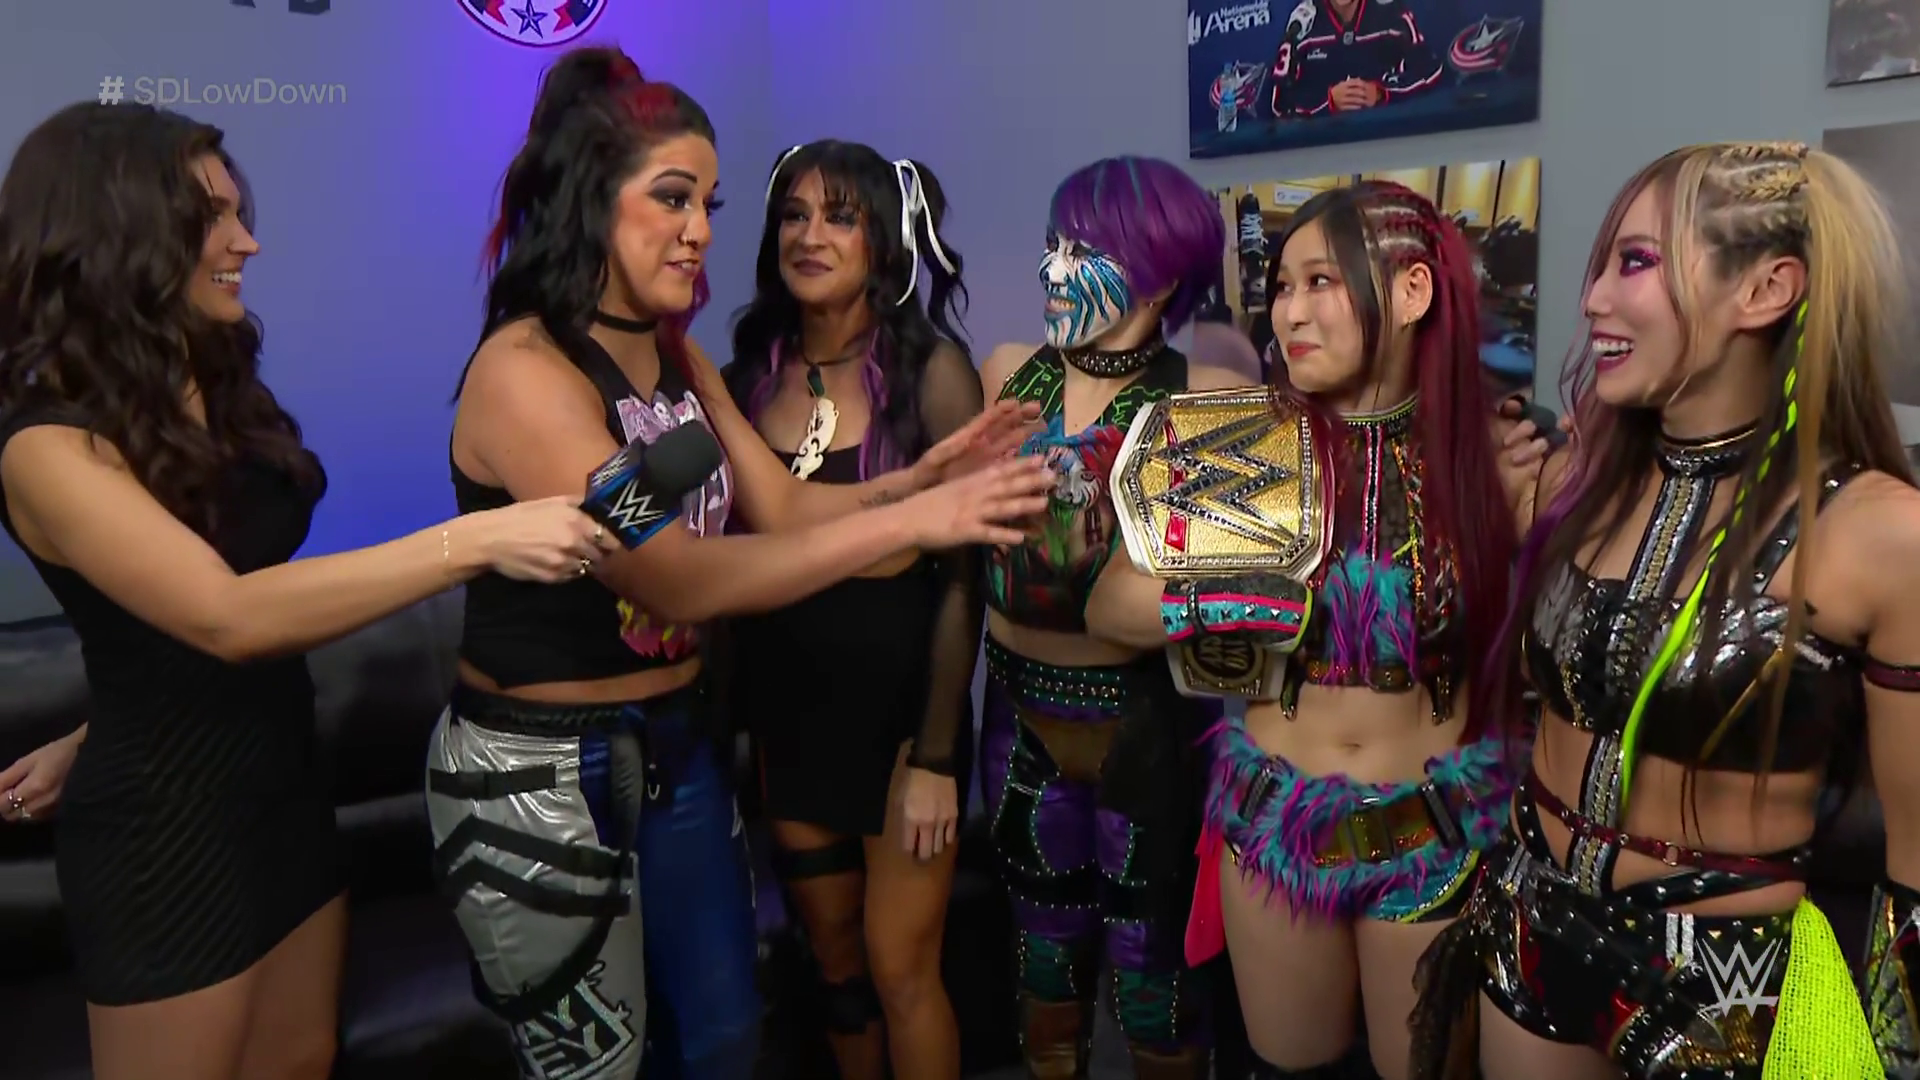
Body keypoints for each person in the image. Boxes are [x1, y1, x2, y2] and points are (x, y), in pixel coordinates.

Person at [422, 47, 1050, 1080]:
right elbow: (674, 575)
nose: (702, 230)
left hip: (677, 742)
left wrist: (920, 477)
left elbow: (784, 504)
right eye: (673, 198)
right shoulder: (527, 372)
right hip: (550, 766)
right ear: (593, 198)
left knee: (723, 1038)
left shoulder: (679, 356)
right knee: (599, 1063)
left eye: (708, 204)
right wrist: (922, 519)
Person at [0, 102, 611, 1080]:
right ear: (116, 233)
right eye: (211, 218)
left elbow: (189, 607)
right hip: (168, 835)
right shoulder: (45, 444)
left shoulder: (208, 376)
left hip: (282, 794)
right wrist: (477, 537)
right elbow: (226, 614)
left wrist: (102, 719)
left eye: (237, 213)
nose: (246, 242)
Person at [1407, 141, 1920, 1080]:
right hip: (1531, 925)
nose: (1593, 298)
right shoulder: (1573, 482)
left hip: (1720, 990)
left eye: (1634, 263)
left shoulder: (1881, 534)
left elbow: (1917, 871)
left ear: (1765, 290)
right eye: (1601, 265)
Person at [1088, 180, 1540, 1080]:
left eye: (1320, 281)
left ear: (1412, 291)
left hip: (1436, 835)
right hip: (1273, 828)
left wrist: (1519, 517)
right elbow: (1109, 609)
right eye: (1282, 287)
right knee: (1291, 1066)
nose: (1288, 312)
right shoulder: (1244, 447)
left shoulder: (1496, 455)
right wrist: (1228, 602)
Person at [976, 154, 1250, 1080]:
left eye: (1083, 251)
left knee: (1154, 977)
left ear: (1160, 276)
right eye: (1053, 244)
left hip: (1148, 721)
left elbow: (1215, 597)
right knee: (1041, 960)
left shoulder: (1206, 397)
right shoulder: (1008, 374)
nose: (1052, 270)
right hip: (1015, 710)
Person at [713, 138, 981, 1080]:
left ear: (883, 241)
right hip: (790, 724)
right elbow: (713, 541)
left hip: (903, 730)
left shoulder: (932, 373)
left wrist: (937, 759)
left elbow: (965, 576)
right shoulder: (745, 375)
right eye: (793, 215)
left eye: (839, 216)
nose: (809, 236)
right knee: (834, 970)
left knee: (902, 971)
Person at [1268, 0, 1443, 120]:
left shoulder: (1391, 11)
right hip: (1322, 147)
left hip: (1386, 138)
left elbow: (1429, 71)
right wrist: (1329, 100)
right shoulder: (1302, 22)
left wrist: (1382, 92)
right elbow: (1281, 101)